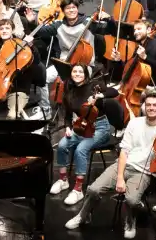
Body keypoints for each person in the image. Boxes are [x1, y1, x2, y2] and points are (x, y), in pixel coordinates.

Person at [66, 89, 156, 240]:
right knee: (93, 190)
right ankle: (83, 215)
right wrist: (121, 177)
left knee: (132, 200)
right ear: (143, 106)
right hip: (124, 165)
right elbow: (124, 152)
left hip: (143, 172)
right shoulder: (134, 123)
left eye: (155, 105)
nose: (151, 108)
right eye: (148, 104)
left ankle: (130, 220)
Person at [51, 62, 120, 202]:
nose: (77, 74)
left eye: (80, 72)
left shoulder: (94, 85)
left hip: (100, 127)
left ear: (85, 74)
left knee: (81, 149)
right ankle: (63, 180)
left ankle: (78, 189)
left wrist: (100, 96)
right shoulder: (69, 91)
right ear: (71, 74)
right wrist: (68, 128)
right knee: (62, 145)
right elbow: (68, 115)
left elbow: (114, 92)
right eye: (75, 71)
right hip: (81, 126)